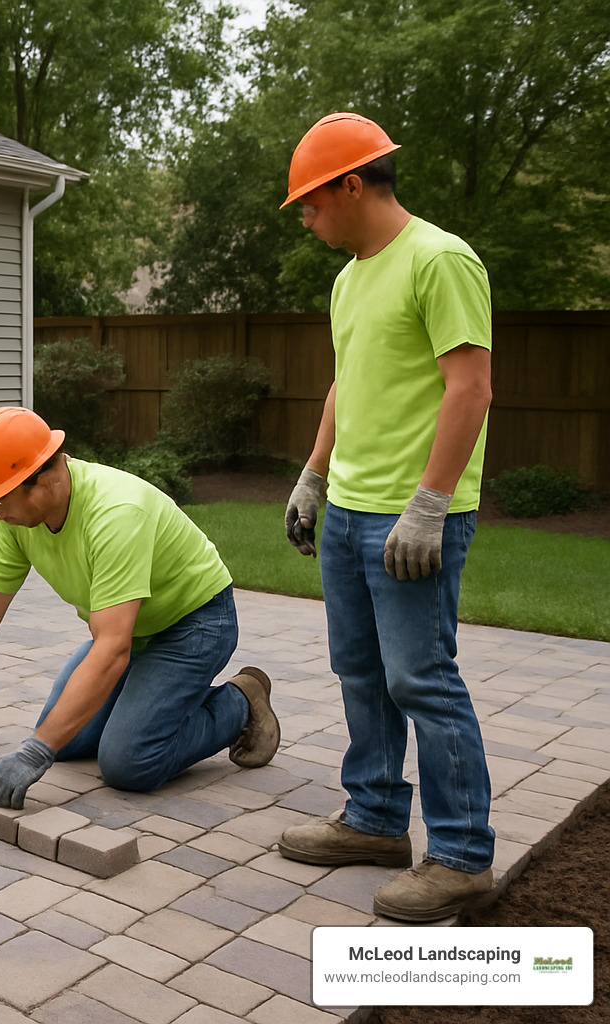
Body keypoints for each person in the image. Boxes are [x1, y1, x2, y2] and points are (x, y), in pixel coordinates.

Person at [275, 113, 496, 922]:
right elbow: (346, 385)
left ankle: (464, 855)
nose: (306, 218)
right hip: (351, 511)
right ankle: (372, 818)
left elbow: (470, 387)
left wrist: (431, 504)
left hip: (414, 518)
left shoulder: (439, 261)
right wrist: (312, 474)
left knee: (422, 680)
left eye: (311, 203)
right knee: (359, 671)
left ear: (352, 185)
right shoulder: (349, 279)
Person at [0, 407, 279, 807]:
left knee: (127, 762)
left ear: (44, 482)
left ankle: (240, 702)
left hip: (195, 624)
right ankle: (149, 698)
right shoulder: (15, 520)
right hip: (130, 630)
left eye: (0, 498)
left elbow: (111, 649)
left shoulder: (116, 514)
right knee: (65, 741)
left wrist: (36, 751)